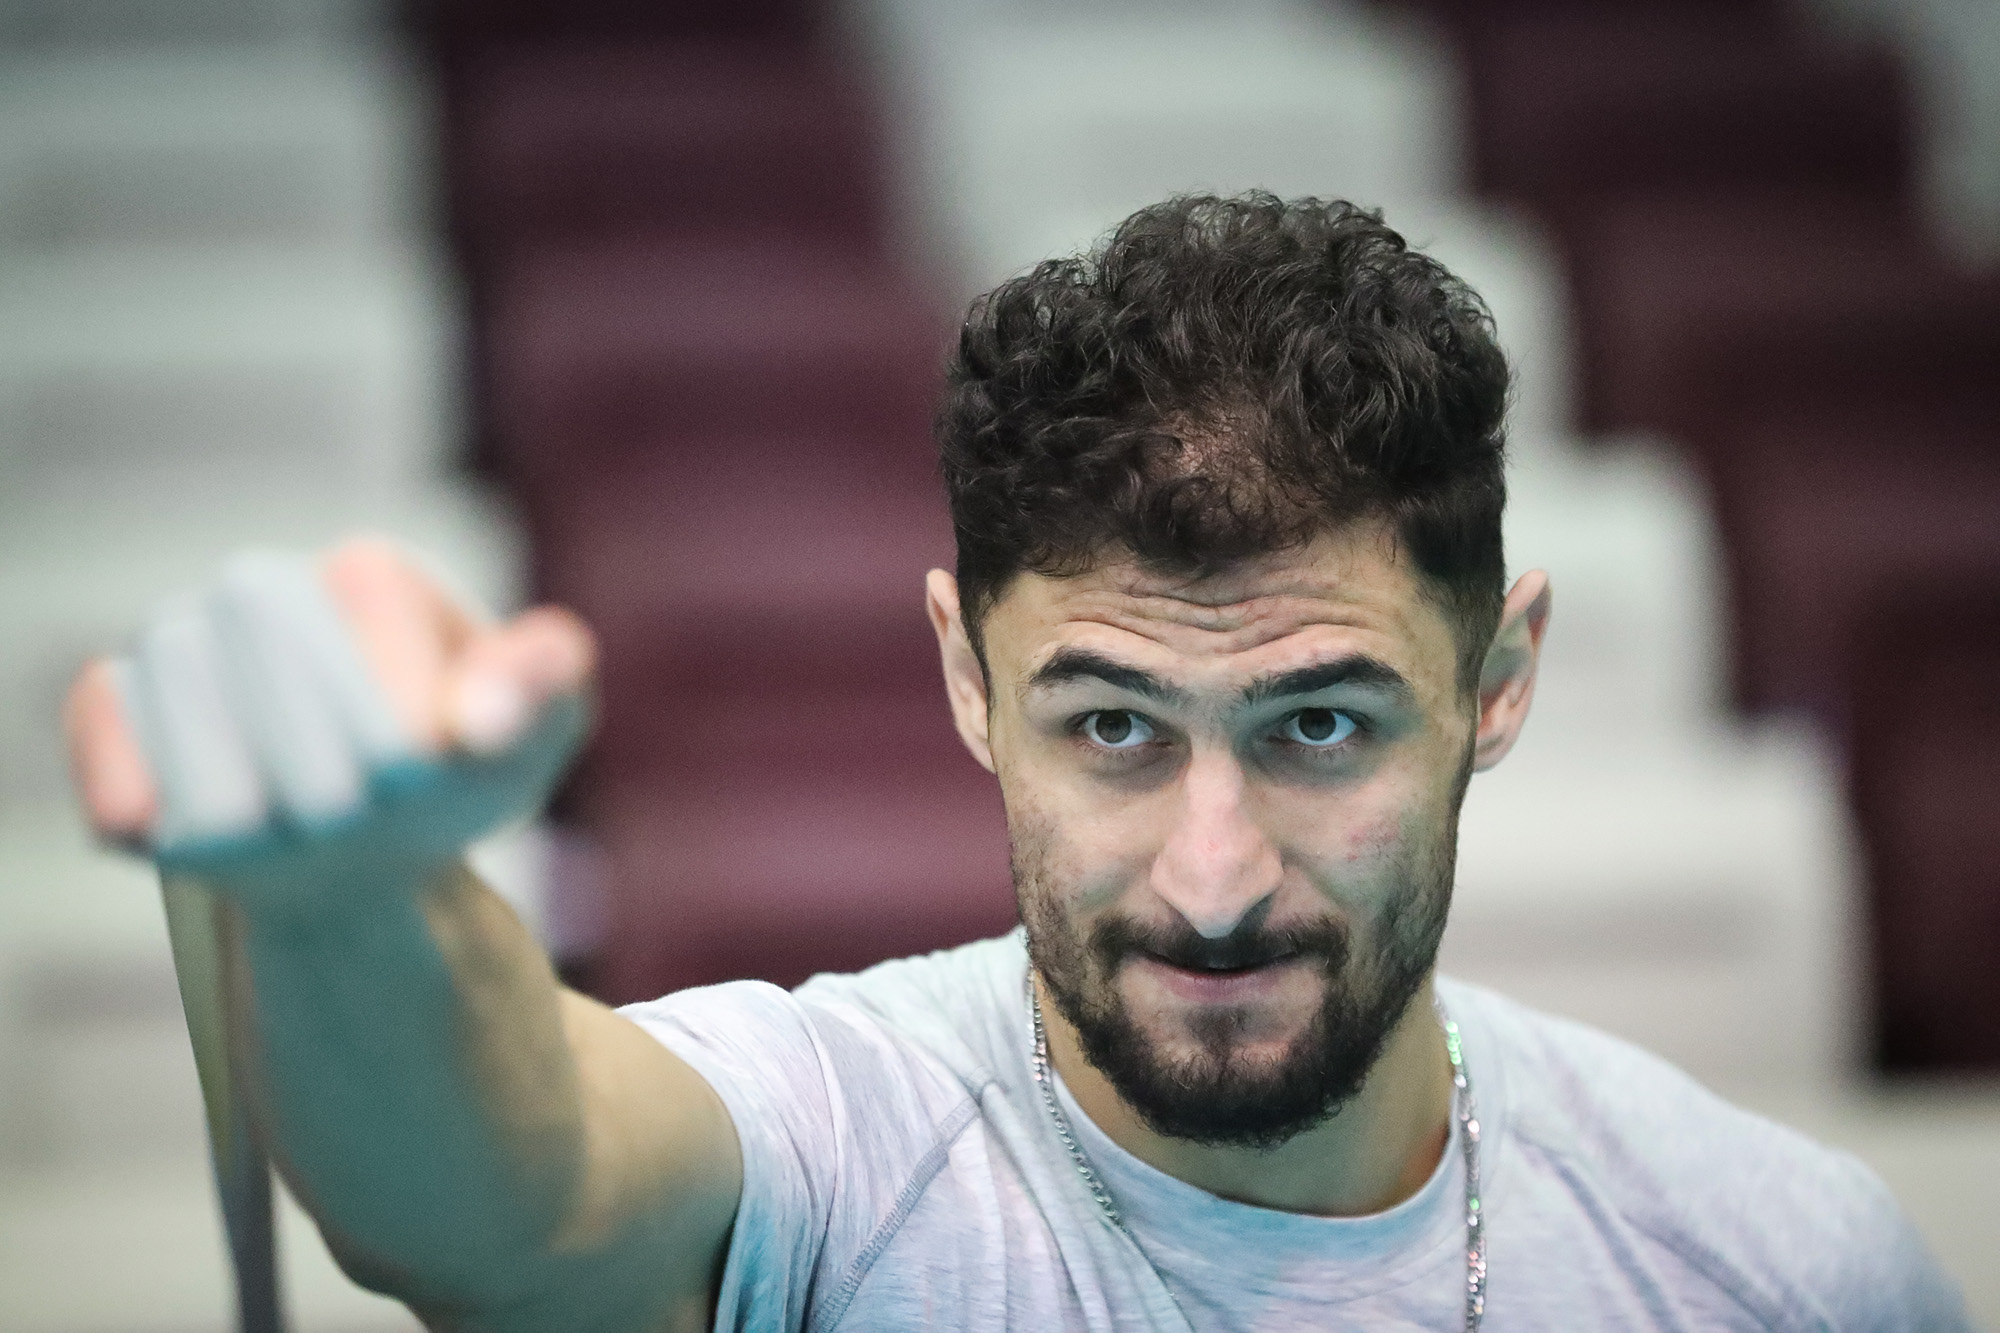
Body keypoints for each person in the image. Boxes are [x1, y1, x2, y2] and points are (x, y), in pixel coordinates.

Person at [67, 194, 1968, 1331]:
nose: (1213, 878)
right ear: (969, 685)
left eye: (1319, 723)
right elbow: (520, 1189)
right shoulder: (841, 1152)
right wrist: (348, 905)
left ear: (1498, 677)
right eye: (1114, 726)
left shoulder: (1781, 1267)